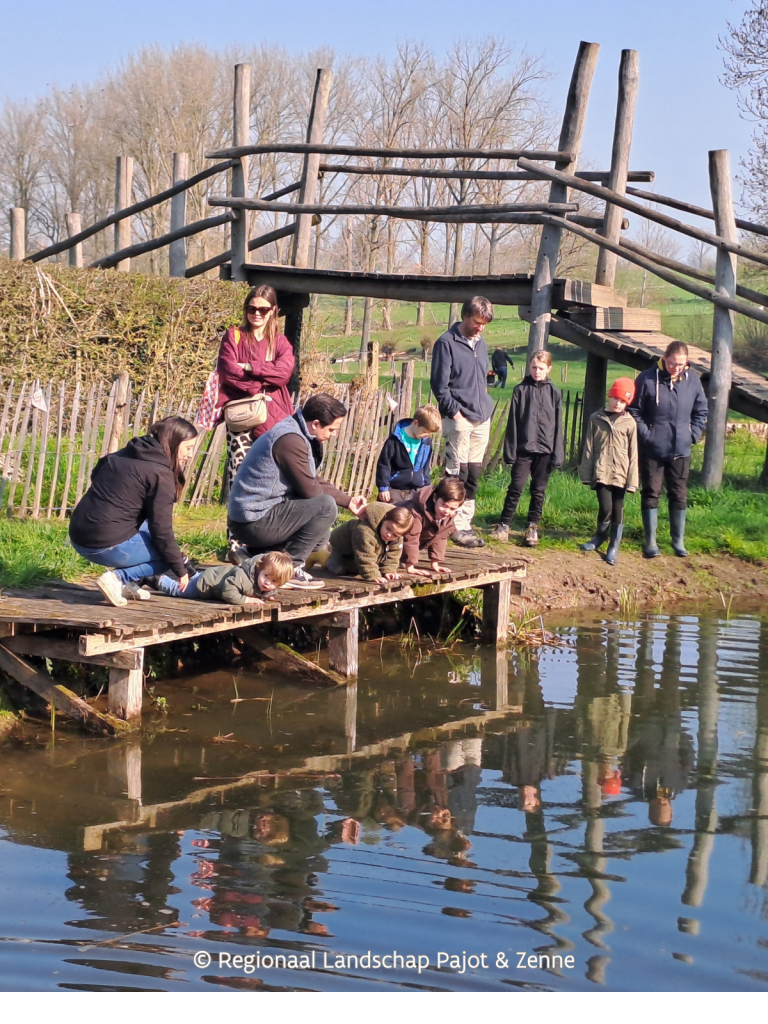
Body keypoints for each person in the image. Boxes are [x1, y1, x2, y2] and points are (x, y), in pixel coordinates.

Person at [227, 392, 367, 590]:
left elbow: (309, 479)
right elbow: (310, 491)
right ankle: (289, 569)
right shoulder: (290, 440)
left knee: (320, 504)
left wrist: (348, 500)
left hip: (250, 517)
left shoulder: (295, 431)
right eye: (333, 429)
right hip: (253, 521)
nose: (334, 434)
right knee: (325, 507)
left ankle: (253, 553)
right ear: (316, 424)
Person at [69, 416, 198, 608]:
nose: (190, 454)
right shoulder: (160, 473)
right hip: (102, 544)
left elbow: (96, 474)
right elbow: (162, 530)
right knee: (167, 557)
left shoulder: (127, 452)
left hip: (77, 534)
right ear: (173, 442)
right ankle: (117, 578)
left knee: (145, 529)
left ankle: (128, 584)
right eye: (188, 448)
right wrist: (180, 568)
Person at [215, 284, 295, 518]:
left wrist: (251, 367)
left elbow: (283, 374)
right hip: (241, 416)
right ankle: (235, 544)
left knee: (271, 480)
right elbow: (228, 371)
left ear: (273, 310)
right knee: (238, 479)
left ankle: (266, 538)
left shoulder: (280, 342)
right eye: (252, 308)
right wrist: (258, 388)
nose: (256, 313)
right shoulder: (234, 336)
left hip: (275, 419)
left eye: (263, 309)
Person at [629, 340, 707, 558]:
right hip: (653, 448)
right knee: (651, 492)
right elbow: (634, 410)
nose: (677, 368)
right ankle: (651, 542)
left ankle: (678, 541)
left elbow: (701, 409)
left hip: (681, 448)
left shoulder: (692, 380)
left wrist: (693, 434)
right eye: (673, 364)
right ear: (665, 358)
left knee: (678, 494)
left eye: (681, 364)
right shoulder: (646, 378)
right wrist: (647, 435)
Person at [430, 295, 495, 548]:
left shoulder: (482, 344)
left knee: (475, 474)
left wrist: (485, 407)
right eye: (477, 322)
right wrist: (455, 413)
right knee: (457, 473)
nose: (480, 328)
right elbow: (439, 385)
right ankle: (450, 524)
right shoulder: (446, 343)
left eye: (484, 324)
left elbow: (482, 380)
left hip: (482, 417)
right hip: (459, 417)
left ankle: (465, 523)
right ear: (466, 315)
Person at [488, 350, 564, 547]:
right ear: (529, 367)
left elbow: (558, 425)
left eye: (540, 368)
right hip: (524, 448)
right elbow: (513, 422)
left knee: (538, 490)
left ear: (549, 369)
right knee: (516, 488)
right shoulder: (520, 390)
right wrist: (510, 451)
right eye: (533, 367)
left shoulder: (554, 392)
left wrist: (558, 453)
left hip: (545, 450)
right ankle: (504, 525)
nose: (537, 371)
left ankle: (532, 527)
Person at [579, 377, 639, 566]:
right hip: (601, 471)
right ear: (610, 396)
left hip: (621, 474)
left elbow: (633, 454)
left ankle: (613, 546)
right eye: (616, 398)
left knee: (618, 509)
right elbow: (588, 447)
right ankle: (599, 537)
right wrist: (586, 474)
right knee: (606, 507)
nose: (618, 403)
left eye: (623, 401)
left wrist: (632, 481)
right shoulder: (596, 418)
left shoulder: (630, 423)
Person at [155, 550, 294, 606]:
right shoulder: (243, 577)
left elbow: (268, 588)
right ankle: (155, 579)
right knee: (178, 591)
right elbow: (228, 591)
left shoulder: (262, 582)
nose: (267, 582)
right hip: (205, 585)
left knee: (197, 577)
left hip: (213, 575)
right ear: (259, 569)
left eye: (274, 581)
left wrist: (266, 594)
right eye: (266, 576)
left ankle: (188, 566)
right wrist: (246, 599)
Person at [324, 503, 413, 584]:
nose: (389, 535)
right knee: (338, 569)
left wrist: (388, 570)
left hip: (360, 553)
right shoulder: (365, 531)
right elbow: (365, 555)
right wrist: (372, 574)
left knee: (357, 570)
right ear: (384, 520)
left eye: (395, 534)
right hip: (343, 551)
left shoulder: (397, 537)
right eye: (388, 529)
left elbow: (393, 554)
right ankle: (322, 555)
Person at [399, 477, 466, 576]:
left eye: (452, 508)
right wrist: (410, 566)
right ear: (435, 498)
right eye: (444, 505)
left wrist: (435, 563)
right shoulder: (415, 512)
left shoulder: (447, 516)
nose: (447, 511)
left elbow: (440, 538)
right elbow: (411, 538)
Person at [376, 404, 441, 504]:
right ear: (415, 423)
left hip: (416, 490)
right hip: (395, 489)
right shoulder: (394, 441)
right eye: (424, 431)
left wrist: (427, 488)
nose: (426, 436)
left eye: (429, 434)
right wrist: (383, 487)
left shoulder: (426, 442)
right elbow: (384, 465)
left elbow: (425, 468)